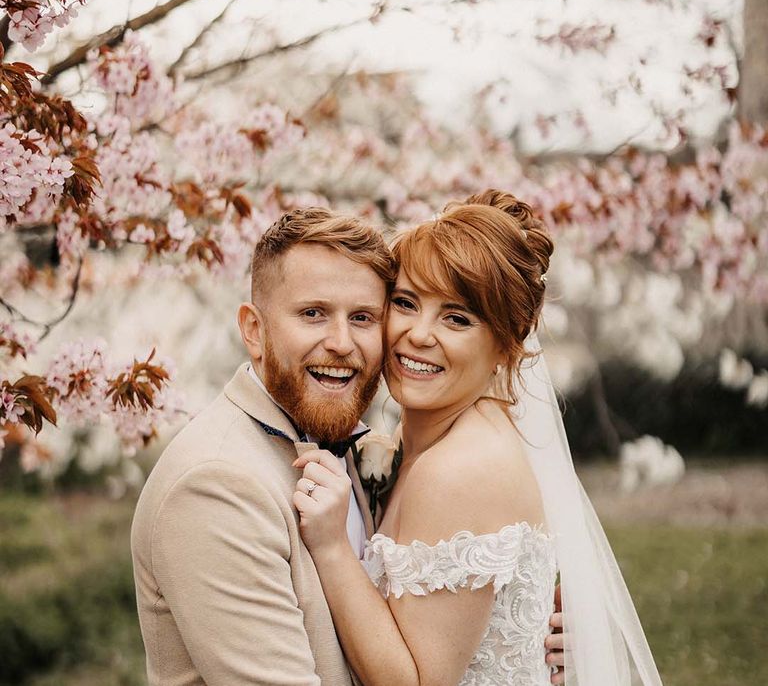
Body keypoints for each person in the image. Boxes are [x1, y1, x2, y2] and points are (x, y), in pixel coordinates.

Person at [293, 190, 663, 685]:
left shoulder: (458, 470)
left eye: (457, 318)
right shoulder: (438, 440)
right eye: (406, 303)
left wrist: (333, 548)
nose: (418, 334)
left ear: (505, 348)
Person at [130, 208, 396, 685]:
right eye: (313, 313)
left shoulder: (341, 441)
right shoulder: (217, 483)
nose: (341, 342)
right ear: (254, 330)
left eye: (362, 318)